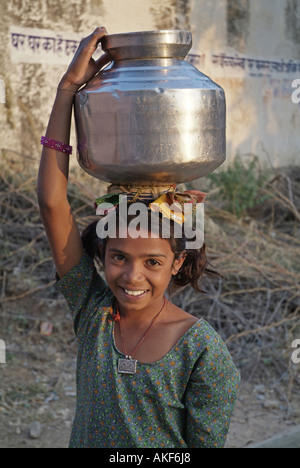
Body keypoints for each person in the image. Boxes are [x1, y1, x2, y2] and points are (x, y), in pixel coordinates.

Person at [37, 27, 240, 449]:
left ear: (177, 262)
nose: (131, 277)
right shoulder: (93, 313)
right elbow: (52, 203)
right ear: (101, 254)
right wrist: (68, 89)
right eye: (118, 258)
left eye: (152, 262)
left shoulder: (202, 352)